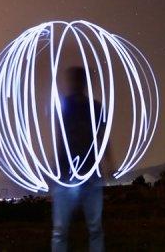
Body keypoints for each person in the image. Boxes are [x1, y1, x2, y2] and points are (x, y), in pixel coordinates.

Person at [51, 65, 111, 252]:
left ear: (85, 83)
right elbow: (59, 137)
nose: (76, 83)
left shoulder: (96, 107)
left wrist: (110, 161)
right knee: (60, 230)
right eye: (74, 80)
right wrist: (55, 168)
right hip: (65, 173)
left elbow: (103, 137)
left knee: (95, 228)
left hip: (91, 172)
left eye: (79, 80)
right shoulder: (63, 106)